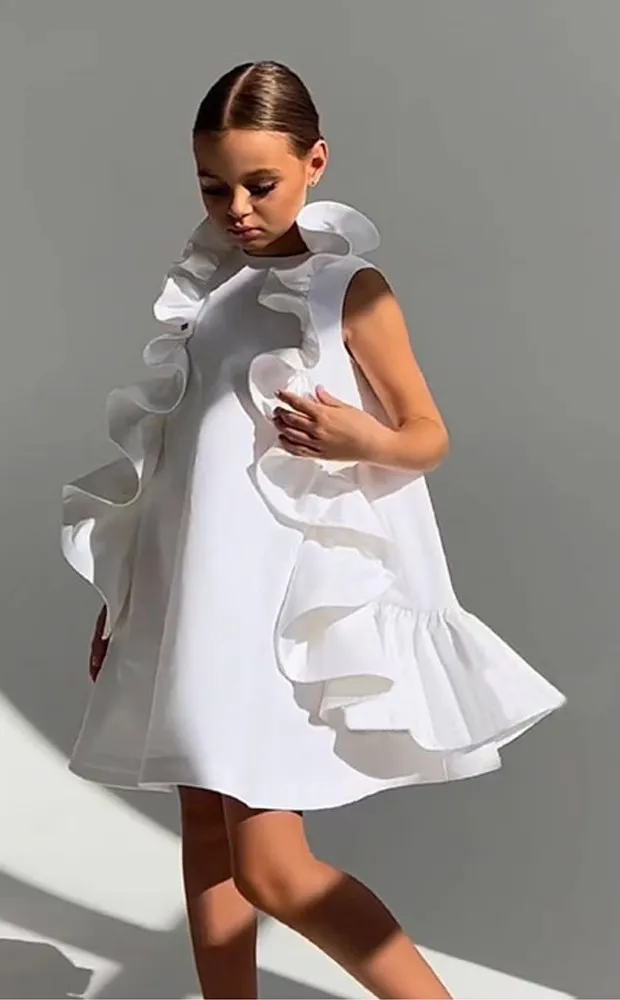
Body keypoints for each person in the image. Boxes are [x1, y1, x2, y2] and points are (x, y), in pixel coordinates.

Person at [62, 61, 565, 1000]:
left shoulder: (347, 290)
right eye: (214, 187)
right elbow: (176, 465)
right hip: (190, 600)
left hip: (272, 608)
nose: (237, 209)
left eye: (261, 184)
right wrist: (126, 599)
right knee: (206, 836)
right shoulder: (208, 291)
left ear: (315, 163)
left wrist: (361, 438)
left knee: (273, 870)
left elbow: (426, 433)